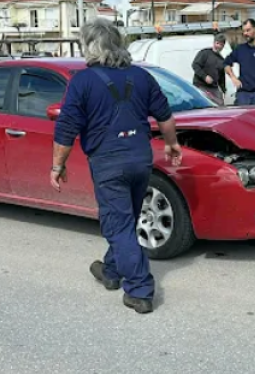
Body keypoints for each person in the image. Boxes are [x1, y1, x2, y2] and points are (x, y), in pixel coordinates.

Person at [51, 18, 183, 315]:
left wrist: (57, 166)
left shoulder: (82, 81)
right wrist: (171, 143)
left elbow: (66, 128)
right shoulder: (142, 76)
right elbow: (164, 115)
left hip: (109, 163)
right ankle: (111, 271)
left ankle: (140, 289)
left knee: (118, 223)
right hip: (140, 158)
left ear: (90, 46)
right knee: (126, 219)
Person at [224, 19, 255, 105]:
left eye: (248, 30)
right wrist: (233, 77)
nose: (245, 34)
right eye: (243, 31)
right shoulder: (240, 49)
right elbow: (226, 63)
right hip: (243, 95)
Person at [191, 33, 227, 104]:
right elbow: (195, 65)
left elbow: (222, 77)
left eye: (221, 45)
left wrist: (223, 89)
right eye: (217, 43)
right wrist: (205, 77)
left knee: (220, 105)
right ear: (214, 42)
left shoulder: (221, 60)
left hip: (213, 88)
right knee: (205, 104)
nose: (219, 46)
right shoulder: (205, 53)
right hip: (201, 86)